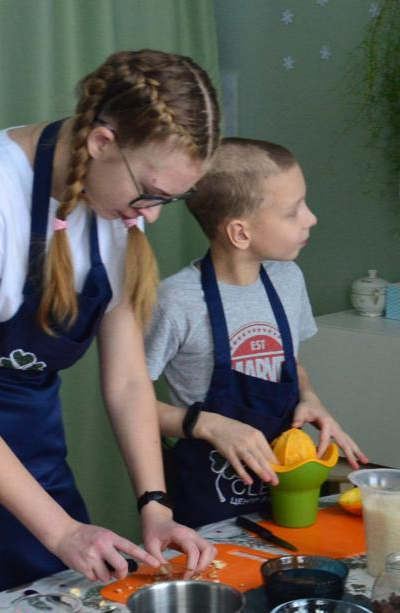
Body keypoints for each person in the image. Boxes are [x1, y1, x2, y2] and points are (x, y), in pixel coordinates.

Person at [0, 50, 220, 608]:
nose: (149, 216)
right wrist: (61, 531)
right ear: (102, 143)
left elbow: (128, 381)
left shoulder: (114, 211)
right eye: (150, 193)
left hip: (30, 444)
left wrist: (155, 504)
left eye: (169, 201)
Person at [145, 138, 366, 528]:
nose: (310, 218)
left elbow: (289, 365)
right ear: (240, 233)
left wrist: (310, 398)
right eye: (293, 210)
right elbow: (132, 406)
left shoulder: (288, 280)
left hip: (285, 495)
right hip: (206, 503)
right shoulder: (175, 301)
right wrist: (210, 425)